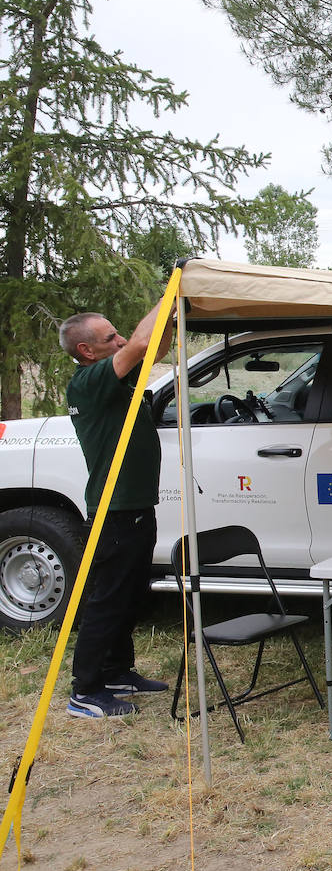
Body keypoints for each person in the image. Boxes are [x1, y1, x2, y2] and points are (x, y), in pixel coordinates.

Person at [59, 304, 173, 718]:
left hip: (137, 507)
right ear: (87, 350)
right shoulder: (90, 382)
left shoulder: (115, 380)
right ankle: (85, 691)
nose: (121, 340)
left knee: (130, 594)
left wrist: (172, 318)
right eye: (111, 338)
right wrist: (169, 294)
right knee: (106, 601)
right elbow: (142, 342)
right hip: (115, 512)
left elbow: (152, 349)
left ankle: (117, 672)